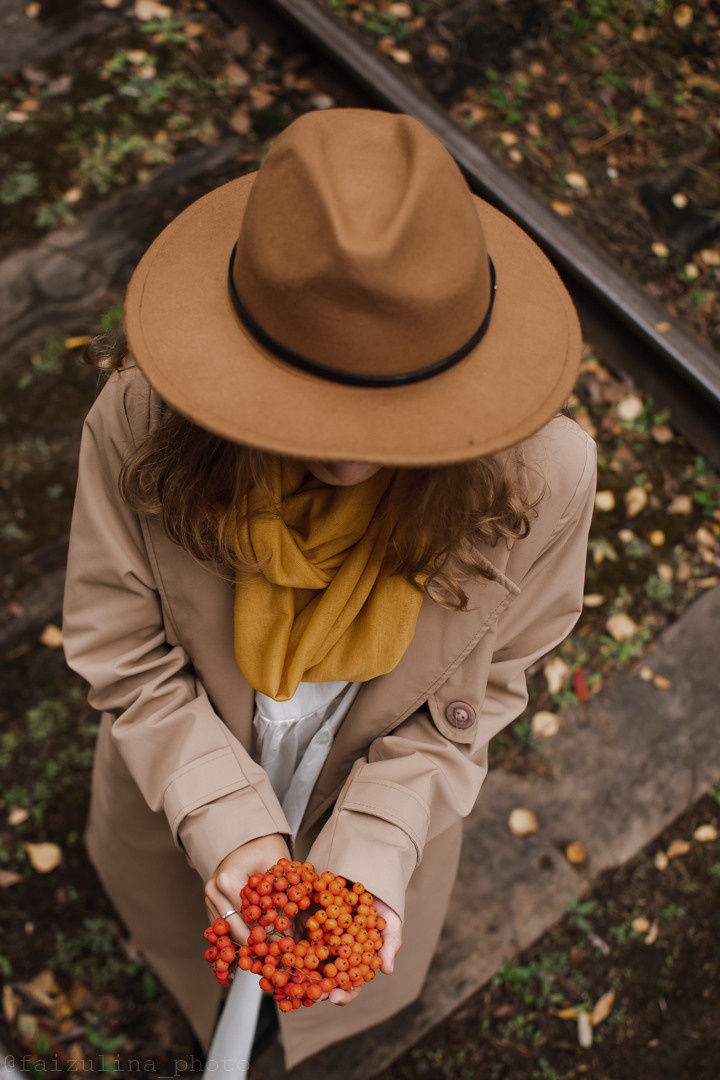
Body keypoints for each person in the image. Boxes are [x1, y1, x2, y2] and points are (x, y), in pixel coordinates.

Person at [63, 108, 596, 1069]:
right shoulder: (142, 421)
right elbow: (123, 650)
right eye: (311, 407)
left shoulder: (544, 480)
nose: (348, 457)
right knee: (187, 930)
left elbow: (479, 696)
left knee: (296, 1000)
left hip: (374, 796)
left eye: (390, 412)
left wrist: (379, 839)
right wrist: (223, 822)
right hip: (180, 769)